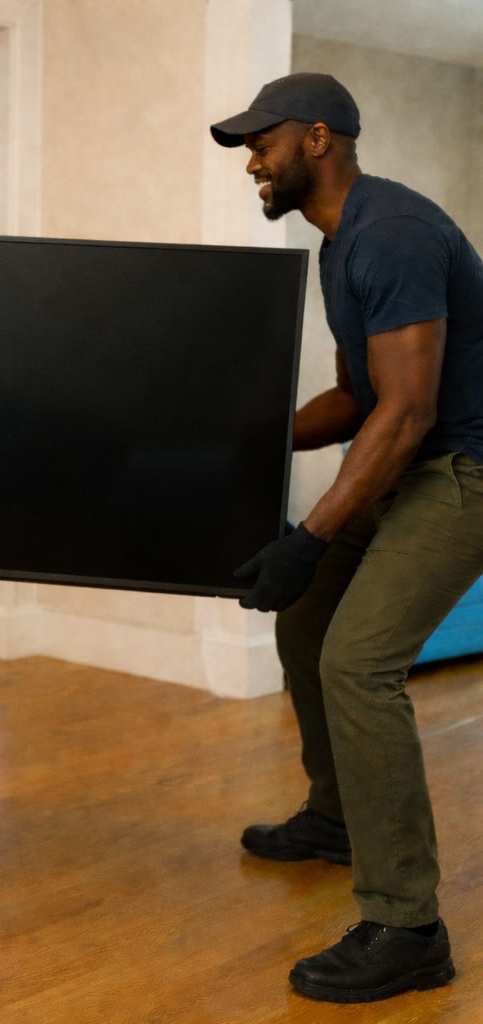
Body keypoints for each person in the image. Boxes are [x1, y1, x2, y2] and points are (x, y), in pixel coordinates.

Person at [210, 72, 483, 1004]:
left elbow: (406, 415)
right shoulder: (339, 246)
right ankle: (335, 817)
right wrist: (249, 435)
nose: (253, 160)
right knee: (306, 624)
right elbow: (360, 401)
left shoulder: (393, 235)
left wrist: (311, 534)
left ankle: (408, 927)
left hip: (465, 473)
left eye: (262, 142)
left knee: (358, 663)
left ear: (317, 139)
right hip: (415, 460)